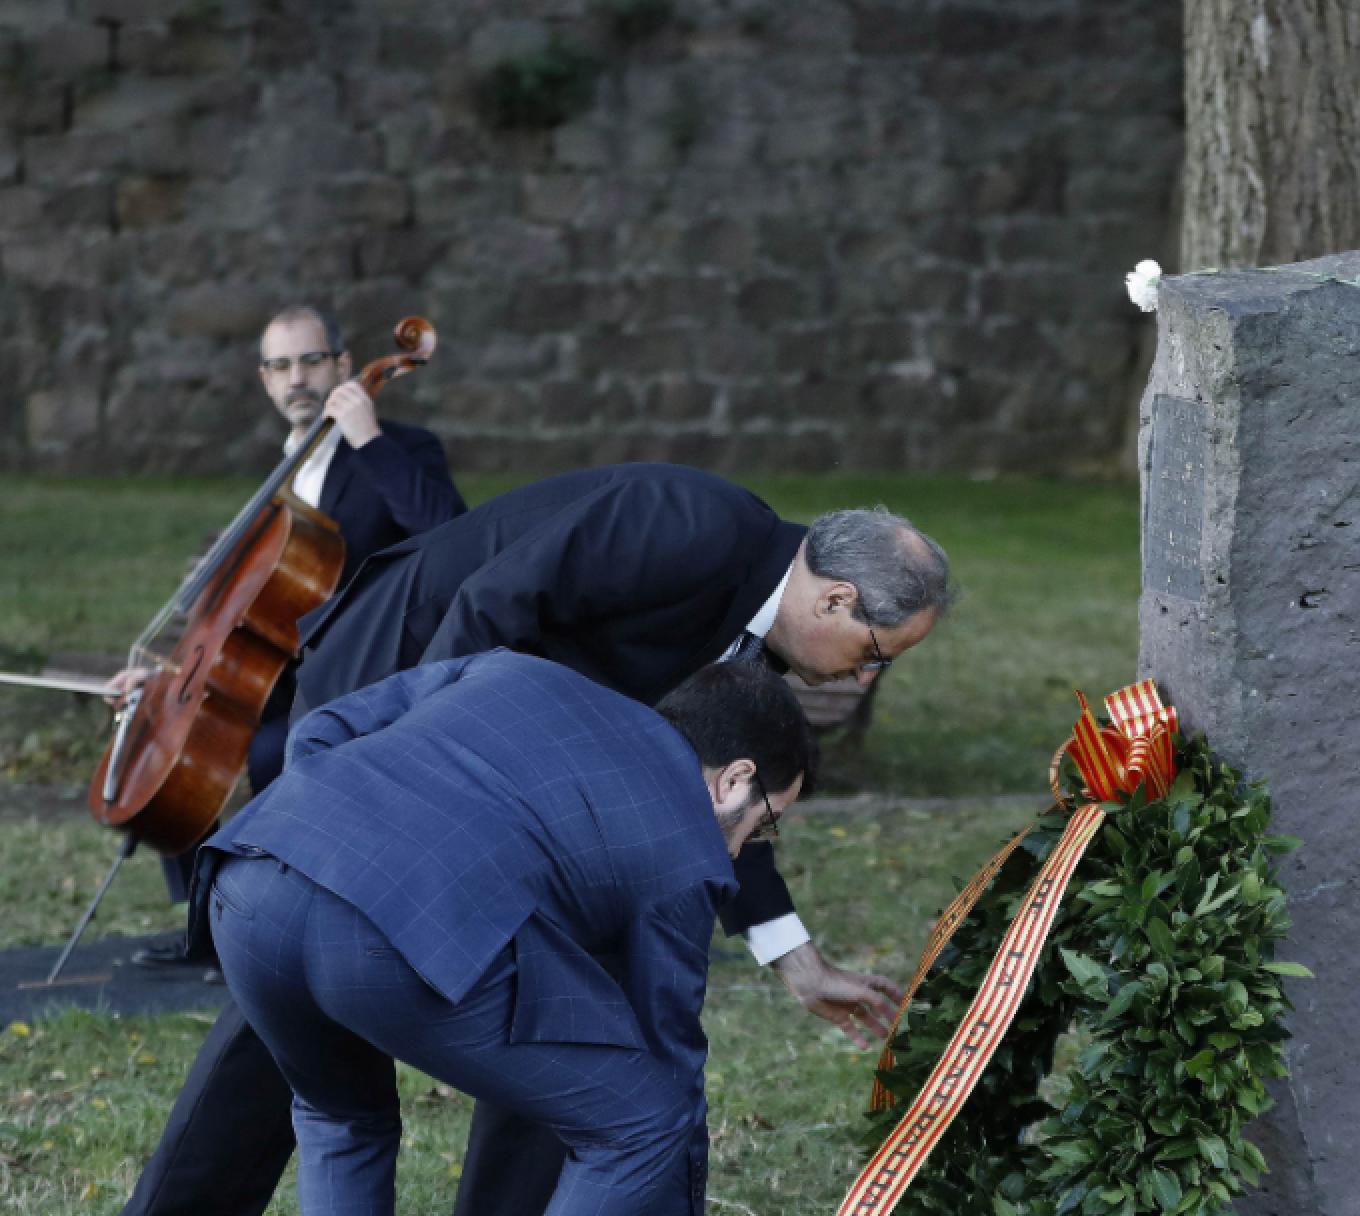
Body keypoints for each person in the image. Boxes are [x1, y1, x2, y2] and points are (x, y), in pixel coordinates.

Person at [123, 465, 953, 1216]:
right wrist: (424, 789)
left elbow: (712, 807)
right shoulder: (694, 522)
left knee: (569, 992)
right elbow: (493, 602)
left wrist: (793, 956)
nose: (864, 677)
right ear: (836, 599)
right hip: (402, 678)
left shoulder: (754, 658)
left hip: (496, 747)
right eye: (875, 654)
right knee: (311, 977)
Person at [201, 652, 817, 1215]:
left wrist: (331, 836)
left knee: (341, 1116)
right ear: (734, 779)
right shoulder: (688, 848)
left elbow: (327, 723)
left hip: (250, 876)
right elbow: (670, 1059)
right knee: (645, 1120)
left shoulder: (513, 670)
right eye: (763, 826)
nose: (741, 851)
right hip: (391, 936)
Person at [130, 304, 465, 973]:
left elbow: (451, 534)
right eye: (281, 366)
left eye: (312, 360)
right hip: (281, 665)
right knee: (167, 740)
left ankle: (268, 930)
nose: (298, 378)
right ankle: (209, 927)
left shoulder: (400, 448)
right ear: (264, 380)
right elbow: (242, 603)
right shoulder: (277, 477)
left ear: (343, 366)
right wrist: (166, 670)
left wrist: (367, 438)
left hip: (362, 670)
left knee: (268, 752)